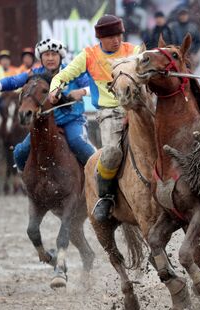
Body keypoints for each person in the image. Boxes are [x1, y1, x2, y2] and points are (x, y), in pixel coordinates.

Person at [48, 15, 139, 222]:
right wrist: (54, 90)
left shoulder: (134, 52)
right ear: (100, 38)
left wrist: (132, 111)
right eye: (110, 36)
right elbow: (60, 77)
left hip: (137, 109)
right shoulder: (88, 55)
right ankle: (105, 197)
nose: (115, 40)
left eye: (118, 35)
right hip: (109, 113)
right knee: (112, 153)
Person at [0, 39, 94, 175]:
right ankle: (27, 180)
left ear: (60, 56)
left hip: (72, 120)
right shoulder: (34, 73)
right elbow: (14, 81)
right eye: (46, 55)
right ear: (41, 57)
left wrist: (82, 91)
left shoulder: (72, 70)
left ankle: (99, 174)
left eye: (54, 54)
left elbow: (93, 85)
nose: (50, 58)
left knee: (78, 143)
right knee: (20, 153)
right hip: (44, 124)